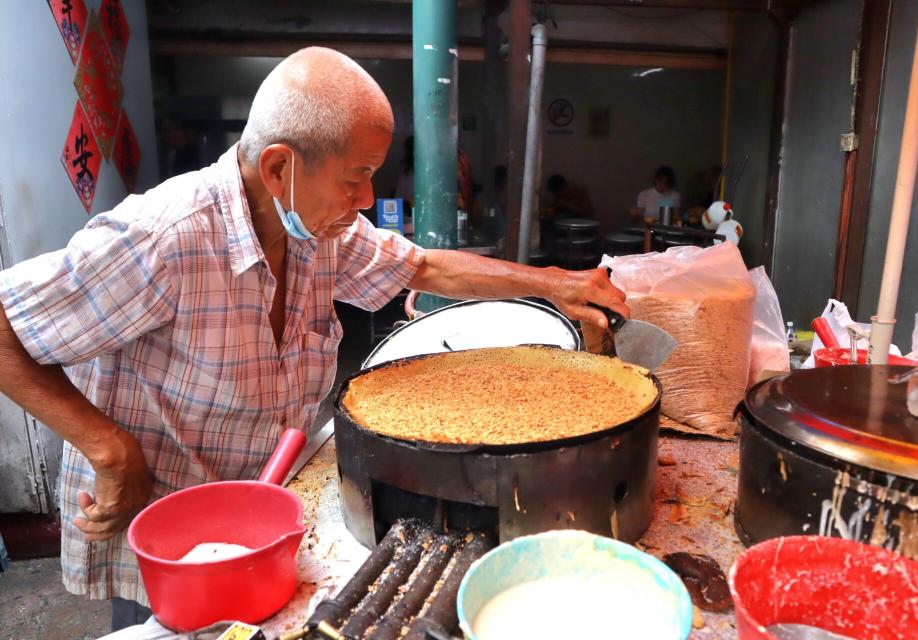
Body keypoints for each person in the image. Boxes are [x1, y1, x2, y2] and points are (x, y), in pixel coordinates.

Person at [0, 48, 628, 630]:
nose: (368, 198)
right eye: (356, 177)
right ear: (279, 167)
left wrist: (555, 285)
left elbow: (424, 267)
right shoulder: (165, 237)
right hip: (167, 539)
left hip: (264, 517)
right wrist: (109, 449)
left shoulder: (315, 232)